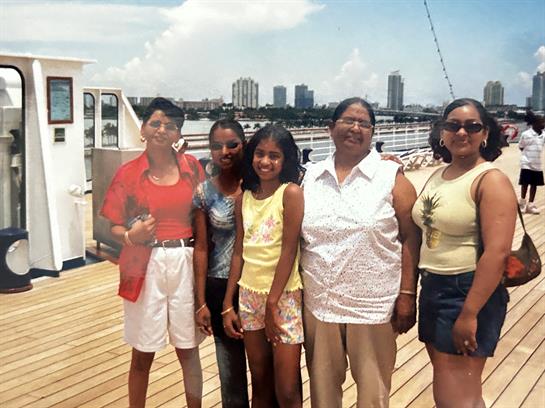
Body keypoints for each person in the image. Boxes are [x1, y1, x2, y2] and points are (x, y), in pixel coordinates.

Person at [300, 97, 420, 408]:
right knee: (323, 395)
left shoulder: (391, 177)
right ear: (330, 128)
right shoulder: (310, 176)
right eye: (348, 121)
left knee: (373, 394)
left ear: (372, 131)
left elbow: (410, 237)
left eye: (364, 123)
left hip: (372, 306)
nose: (355, 128)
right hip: (319, 304)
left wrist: (408, 293)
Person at [101, 97, 205, 408]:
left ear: (178, 134)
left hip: (185, 262)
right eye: (155, 123)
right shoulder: (128, 173)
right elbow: (111, 226)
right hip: (146, 264)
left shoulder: (193, 168)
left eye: (170, 125)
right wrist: (131, 236)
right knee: (142, 353)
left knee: (189, 351)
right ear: (143, 129)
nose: (162, 130)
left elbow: (207, 216)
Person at [412, 98, 517, 408]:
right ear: (442, 133)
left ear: (485, 134)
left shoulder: (490, 179)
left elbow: (497, 252)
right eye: (453, 125)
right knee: (461, 393)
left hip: (466, 291)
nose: (461, 132)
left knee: (452, 396)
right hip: (432, 286)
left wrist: (469, 313)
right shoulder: (439, 175)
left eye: (472, 126)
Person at [222, 125, 305, 407]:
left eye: (274, 155)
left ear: (286, 161)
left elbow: (289, 250)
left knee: (287, 388)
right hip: (249, 296)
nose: (265, 161)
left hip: (283, 298)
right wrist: (227, 304)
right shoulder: (243, 198)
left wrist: (272, 304)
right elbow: (238, 253)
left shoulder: (290, 193)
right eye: (259, 153)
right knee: (260, 383)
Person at [192, 119, 249, 407]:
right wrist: (200, 300)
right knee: (231, 374)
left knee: (271, 371)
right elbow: (201, 248)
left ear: (244, 144)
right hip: (219, 285)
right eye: (216, 146)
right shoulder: (204, 192)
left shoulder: (260, 185)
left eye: (232, 144)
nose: (224, 151)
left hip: (258, 286)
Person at [518, 112, 544, 214]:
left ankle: (531, 204)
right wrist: (526, 155)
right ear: (534, 123)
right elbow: (521, 146)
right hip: (526, 163)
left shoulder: (543, 135)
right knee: (525, 183)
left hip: (537, 163)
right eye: (541, 122)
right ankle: (523, 202)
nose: (543, 124)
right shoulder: (526, 134)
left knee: (534, 185)